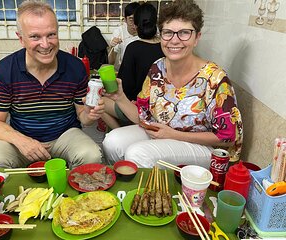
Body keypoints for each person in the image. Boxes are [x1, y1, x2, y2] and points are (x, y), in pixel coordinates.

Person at [102, 0, 243, 169]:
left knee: (138, 153)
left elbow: (228, 137)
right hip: (163, 134)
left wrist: (174, 135)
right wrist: (120, 97)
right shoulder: (157, 68)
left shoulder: (214, 78)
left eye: (184, 33)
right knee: (112, 141)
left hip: (203, 149)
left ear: (197, 37)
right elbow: (142, 115)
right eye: (168, 32)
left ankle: (149, 194)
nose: (174, 41)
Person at [0, 1, 105, 169]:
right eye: (35, 37)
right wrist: (22, 141)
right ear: (21, 39)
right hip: (22, 139)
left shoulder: (76, 67)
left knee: (91, 155)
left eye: (51, 34)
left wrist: (89, 115)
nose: (45, 45)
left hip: (64, 136)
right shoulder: (5, 71)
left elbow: (82, 114)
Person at [102, 3, 164, 129]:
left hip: (137, 108)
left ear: (136, 25)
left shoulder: (133, 48)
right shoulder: (166, 46)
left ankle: (119, 132)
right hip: (162, 107)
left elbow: (125, 85)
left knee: (97, 103)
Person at [108, 2, 140, 71]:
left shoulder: (144, 33)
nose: (134, 24)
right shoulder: (119, 32)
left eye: (137, 20)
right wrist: (111, 47)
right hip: (122, 71)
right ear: (125, 20)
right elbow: (111, 62)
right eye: (131, 20)